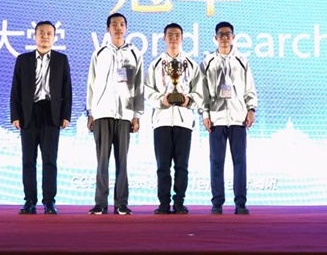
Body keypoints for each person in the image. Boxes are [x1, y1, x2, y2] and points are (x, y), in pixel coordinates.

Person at [10, 21, 72, 215]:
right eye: (41, 33)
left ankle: (49, 201)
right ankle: (29, 201)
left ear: (54, 37)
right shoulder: (23, 60)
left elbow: (67, 90)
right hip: (29, 114)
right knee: (28, 160)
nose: (45, 36)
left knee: (50, 160)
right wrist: (15, 115)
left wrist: (66, 115)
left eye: (49, 33)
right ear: (35, 36)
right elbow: (16, 89)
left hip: (51, 114)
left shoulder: (61, 60)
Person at [85, 12, 144, 215]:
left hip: (125, 114)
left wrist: (136, 114)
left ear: (126, 28)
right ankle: (100, 203)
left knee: (122, 161)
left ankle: (121, 203)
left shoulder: (135, 53)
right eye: (114, 24)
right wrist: (91, 112)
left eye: (121, 24)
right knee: (102, 161)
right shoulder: (99, 53)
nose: (118, 28)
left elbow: (138, 86)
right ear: (108, 28)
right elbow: (91, 83)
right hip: (102, 113)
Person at [199, 21, 258, 215]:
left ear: (233, 37)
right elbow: (202, 91)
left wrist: (251, 109)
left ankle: (240, 203)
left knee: (240, 161)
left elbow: (249, 89)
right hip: (216, 119)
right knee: (216, 162)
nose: (224, 37)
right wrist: (205, 114)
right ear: (215, 38)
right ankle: (217, 202)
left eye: (228, 34)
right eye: (221, 34)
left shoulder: (242, 61)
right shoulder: (207, 62)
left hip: (238, 119)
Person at [144, 23, 203, 215]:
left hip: (183, 121)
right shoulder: (156, 64)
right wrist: (161, 100)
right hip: (161, 121)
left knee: (182, 166)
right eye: (170, 35)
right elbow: (147, 90)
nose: (173, 38)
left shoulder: (191, 64)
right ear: (164, 38)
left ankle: (179, 202)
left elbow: (200, 92)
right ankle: (163, 203)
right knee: (162, 166)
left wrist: (188, 100)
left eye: (177, 35)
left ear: (182, 38)